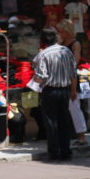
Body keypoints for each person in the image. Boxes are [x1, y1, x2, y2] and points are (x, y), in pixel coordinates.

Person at [32, 26, 77, 161]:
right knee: (64, 122)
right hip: (64, 90)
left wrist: (34, 75)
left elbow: (40, 76)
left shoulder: (43, 54)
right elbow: (73, 72)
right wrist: (73, 90)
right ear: (56, 38)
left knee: (51, 122)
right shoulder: (67, 51)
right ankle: (66, 151)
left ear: (42, 41)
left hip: (50, 91)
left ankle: (54, 153)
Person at [57, 20, 88, 148]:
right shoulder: (61, 43)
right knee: (64, 109)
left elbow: (74, 62)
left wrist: (73, 88)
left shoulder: (75, 44)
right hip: (61, 78)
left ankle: (82, 136)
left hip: (71, 78)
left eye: (62, 31)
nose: (60, 33)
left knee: (75, 108)